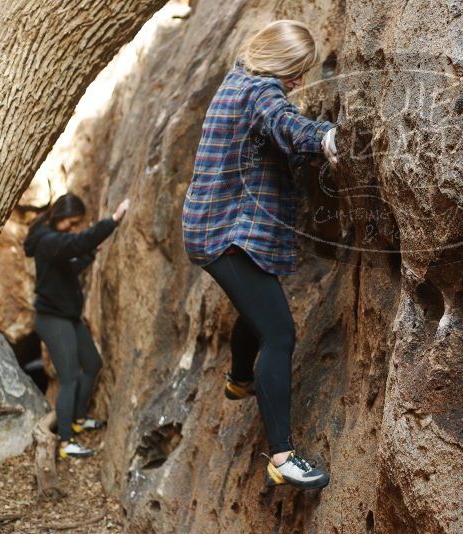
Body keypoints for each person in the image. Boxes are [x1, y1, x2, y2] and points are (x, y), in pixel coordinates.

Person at [181, 19, 338, 490]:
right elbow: (284, 122)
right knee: (280, 333)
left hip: (214, 228)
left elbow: (267, 135)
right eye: (296, 71)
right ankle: (284, 458)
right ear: (278, 63)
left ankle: (238, 379)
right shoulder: (259, 90)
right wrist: (328, 138)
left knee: (254, 308)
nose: (298, 82)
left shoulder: (236, 80)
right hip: (225, 233)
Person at [23, 193, 129, 458]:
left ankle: (78, 419)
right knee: (69, 378)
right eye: (72, 222)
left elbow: (69, 267)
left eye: (76, 223)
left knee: (92, 364)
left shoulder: (53, 242)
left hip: (68, 317)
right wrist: (113, 221)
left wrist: (91, 253)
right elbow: (75, 243)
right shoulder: (48, 241)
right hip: (52, 320)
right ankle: (66, 442)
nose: (74, 227)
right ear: (59, 216)